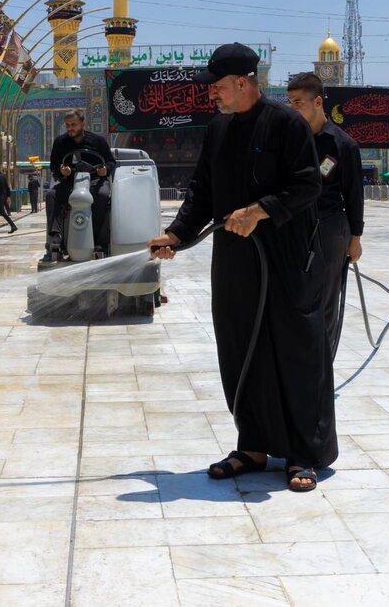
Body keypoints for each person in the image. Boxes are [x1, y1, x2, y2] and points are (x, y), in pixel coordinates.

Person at [149, 43, 334, 492]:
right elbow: (202, 190)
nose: (212, 94)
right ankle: (252, 445)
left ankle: (302, 452)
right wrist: (176, 233)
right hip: (234, 260)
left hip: (284, 257)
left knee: (293, 348)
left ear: (243, 83)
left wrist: (260, 210)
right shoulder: (218, 130)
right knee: (239, 347)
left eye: (218, 86)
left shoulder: (286, 124)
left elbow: (308, 184)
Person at [287, 72, 364, 356]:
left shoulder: (342, 145)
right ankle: (301, 361)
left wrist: (355, 238)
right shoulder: (292, 141)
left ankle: (323, 366)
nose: (292, 108)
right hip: (296, 226)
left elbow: (354, 195)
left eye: (298, 102)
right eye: (290, 102)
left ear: (317, 102)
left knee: (327, 299)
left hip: (330, 227)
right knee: (297, 296)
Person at [47, 109, 116, 252]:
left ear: (83, 124)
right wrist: (61, 170)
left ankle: (95, 236)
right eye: (67, 125)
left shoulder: (98, 141)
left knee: (103, 195)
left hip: (95, 181)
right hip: (71, 182)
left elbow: (111, 162)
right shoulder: (60, 142)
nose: (70, 128)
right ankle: (55, 236)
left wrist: (105, 170)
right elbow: (53, 165)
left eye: (73, 124)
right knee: (52, 195)